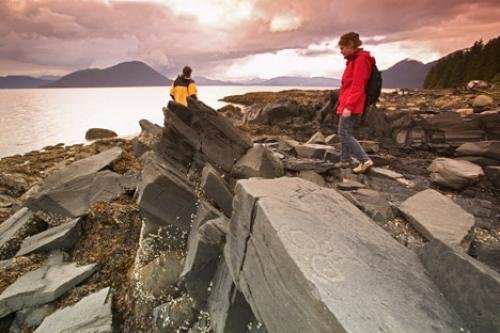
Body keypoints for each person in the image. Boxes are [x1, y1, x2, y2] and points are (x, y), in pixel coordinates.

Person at [335, 32, 375, 174]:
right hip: (347, 103)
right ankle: (345, 161)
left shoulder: (360, 61)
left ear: (351, 45)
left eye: (342, 48)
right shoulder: (353, 60)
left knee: (344, 133)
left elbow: (358, 86)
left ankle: (364, 160)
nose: (341, 52)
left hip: (351, 104)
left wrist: (349, 106)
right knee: (344, 132)